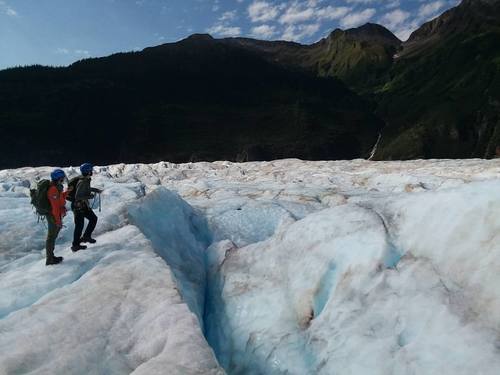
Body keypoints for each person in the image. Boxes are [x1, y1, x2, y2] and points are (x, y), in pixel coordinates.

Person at [71, 163, 102, 252]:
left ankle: (86, 236)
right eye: (90, 170)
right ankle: (75, 245)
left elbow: (85, 189)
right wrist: (90, 197)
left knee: (93, 219)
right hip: (78, 206)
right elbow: (77, 197)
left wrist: (95, 190)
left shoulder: (85, 179)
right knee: (79, 225)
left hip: (83, 205)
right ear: (88, 171)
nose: (91, 172)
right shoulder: (83, 181)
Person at [46, 169, 71, 266]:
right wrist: (58, 221)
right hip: (53, 215)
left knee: (52, 236)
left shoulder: (57, 187)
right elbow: (55, 207)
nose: (63, 179)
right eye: (62, 178)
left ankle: (51, 257)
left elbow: (60, 199)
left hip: (55, 215)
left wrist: (67, 192)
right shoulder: (53, 189)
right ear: (58, 178)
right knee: (51, 237)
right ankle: (49, 259)